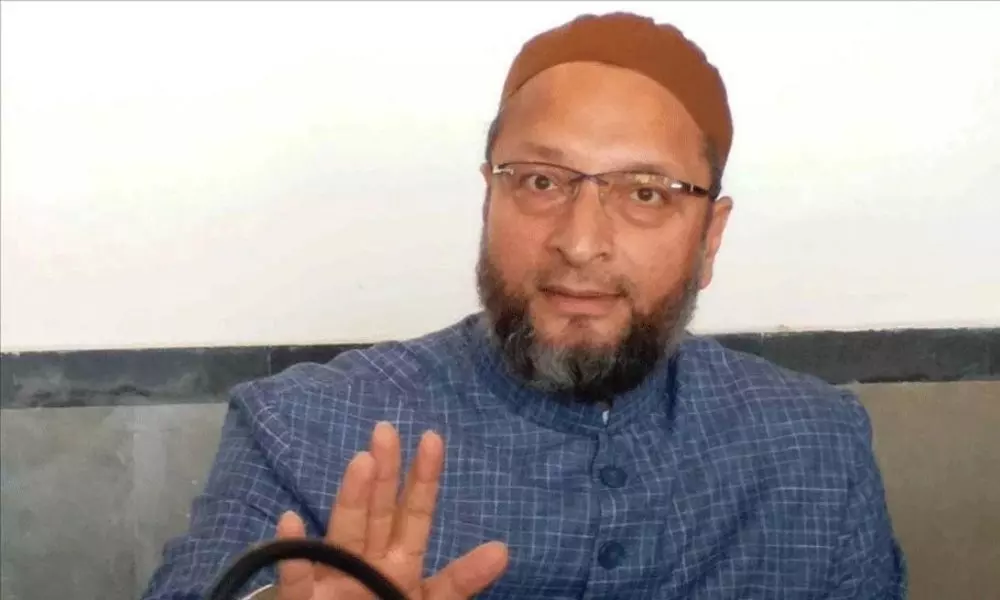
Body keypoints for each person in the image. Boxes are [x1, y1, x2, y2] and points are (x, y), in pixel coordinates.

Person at [143, 11, 906, 600]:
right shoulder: (300, 423)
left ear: (710, 237)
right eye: (541, 181)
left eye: (646, 193)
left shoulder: (817, 446)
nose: (580, 242)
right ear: (489, 200)